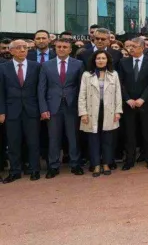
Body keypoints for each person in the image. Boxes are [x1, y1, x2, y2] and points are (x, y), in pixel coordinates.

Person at [38, 38, 85, 177]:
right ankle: (53, 166)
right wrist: (43, 108)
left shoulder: (79, 64)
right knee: (54, 137)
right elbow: (41, 89)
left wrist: (82, 108)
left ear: (70, 49)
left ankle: (75, 164)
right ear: (55, 48)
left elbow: (82, 87)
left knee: (73, 137)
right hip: (53, 106)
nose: (62, 49)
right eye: (59, 46)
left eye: (65, 47)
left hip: (72, 105)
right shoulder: (46, 65)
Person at [0, 40, 42, 183]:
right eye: (19, 48)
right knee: (13, 143)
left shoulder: (36, 66)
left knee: (33, 142)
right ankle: (15, 171)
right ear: (11, 51)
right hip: (11, 111)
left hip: (32, 110)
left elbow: (40, 90)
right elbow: (1, 92)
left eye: (25, 48)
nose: (23, 50)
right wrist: (1, 111)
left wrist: (42, 109)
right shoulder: (3, 68)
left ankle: (35, 170)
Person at [78, 50, 122, 177]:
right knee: (93, 139)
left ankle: (106, 163)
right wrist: (83, 113)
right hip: (92, 111)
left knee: (108, 139)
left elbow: (118, 94)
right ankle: (96, 164)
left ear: (107, 60)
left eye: (103, 58)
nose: (101, 60)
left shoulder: (114, 74)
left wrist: (118, 111)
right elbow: (82, 95)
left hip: (109, 110)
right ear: (94, 60)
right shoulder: (87, 75)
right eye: (98, 58)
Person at [118, 38, 148, 170]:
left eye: (134, 46)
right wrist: (127, 99)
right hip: (129, 104)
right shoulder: (123, 62)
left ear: (142, 48)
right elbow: (120, 83)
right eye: (130, 46)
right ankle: (129, 160)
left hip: (145, 104)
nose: (131, 49)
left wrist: (142, 99)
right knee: (130, 133)